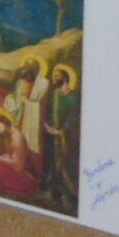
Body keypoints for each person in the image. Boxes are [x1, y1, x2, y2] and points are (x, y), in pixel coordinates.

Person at [44, 64, 81, 211]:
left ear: (65, 77)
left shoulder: (73, 97)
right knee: (52, 163)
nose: (55, 79)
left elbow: (73, 117)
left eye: (57, 76)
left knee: (65, 164)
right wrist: (48, 127)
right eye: (54, 76)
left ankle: (67, 194)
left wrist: (62, 131)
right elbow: (49, 112)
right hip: (52, 135)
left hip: (66, 138)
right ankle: (53, 192)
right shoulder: (54, 94)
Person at [6, 56, 50, 156]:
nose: (27, 70)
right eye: (26, 67)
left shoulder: (43, 82)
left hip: (34, 117)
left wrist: (26, 102)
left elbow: (40, 102)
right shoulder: (21, 82)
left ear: (36, 69)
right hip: (20, 115)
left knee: (31, 144)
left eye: (30, 67)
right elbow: (16, 98)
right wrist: (11, 100)